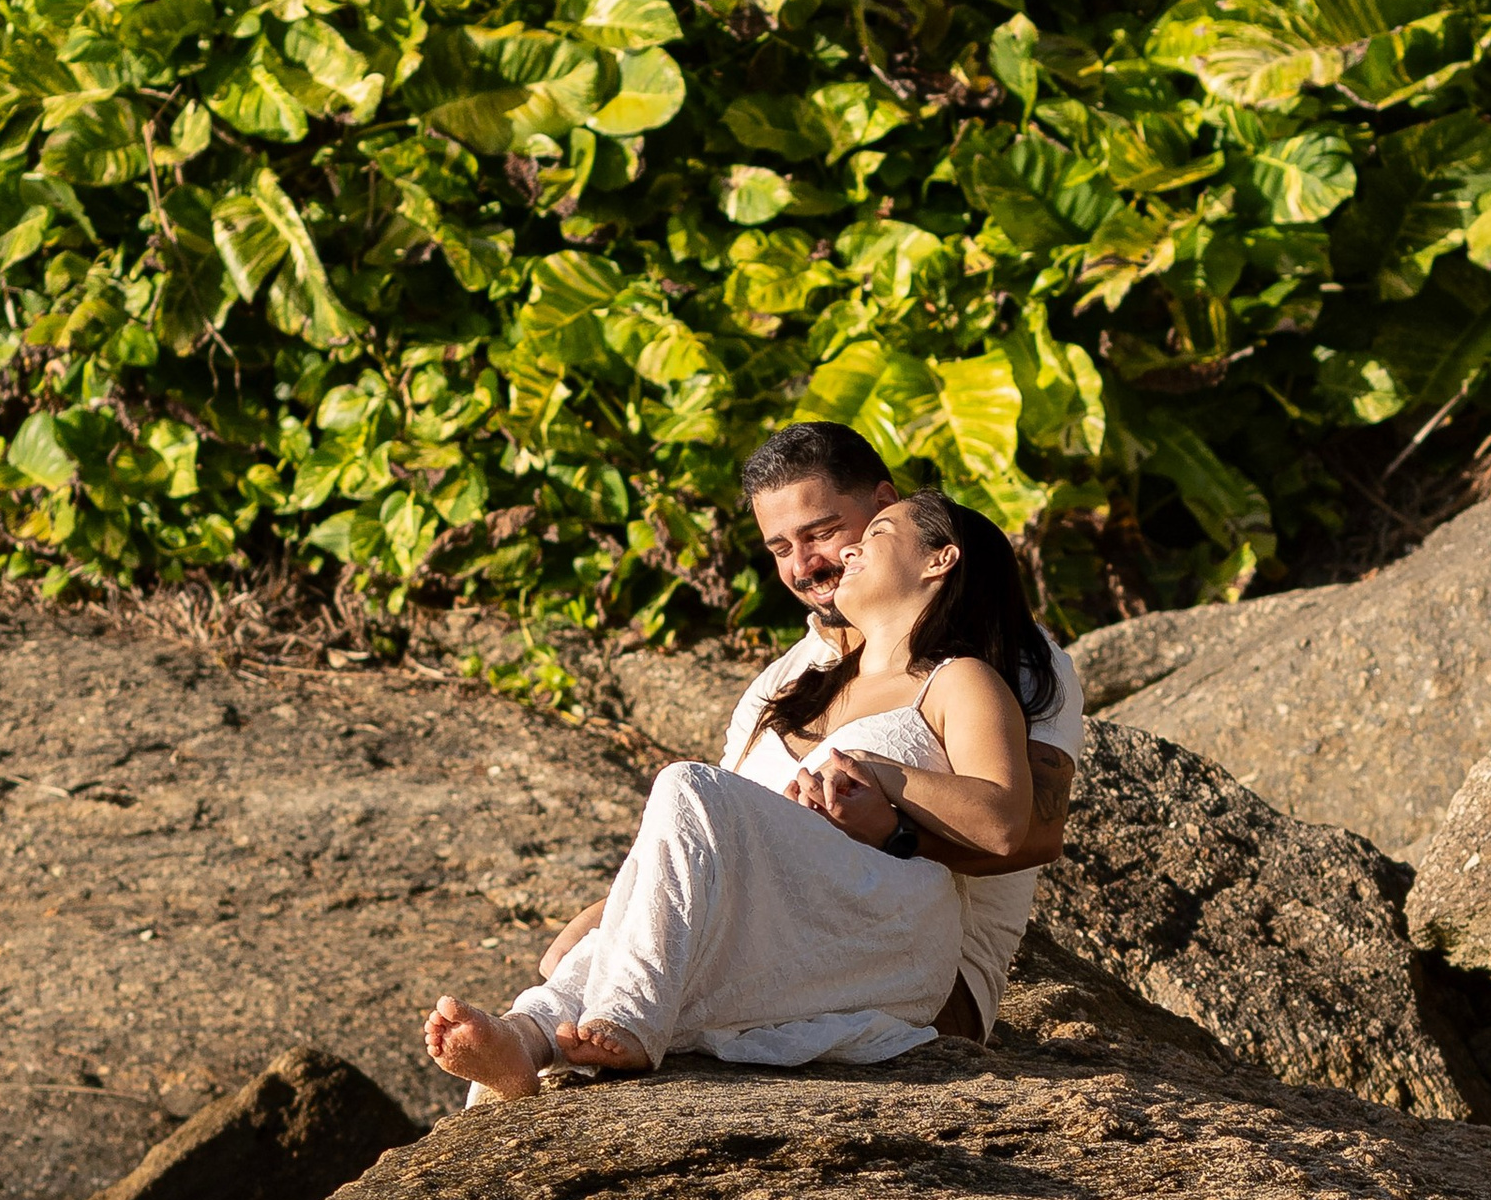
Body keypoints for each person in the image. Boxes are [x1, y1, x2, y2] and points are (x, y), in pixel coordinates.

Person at [422, 485, 1055, 1098]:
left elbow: (1005, 822)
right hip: (790, 913)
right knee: (676, 843)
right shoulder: (805, 679)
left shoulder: (959, 679)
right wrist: (612, 910)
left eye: (878, 534)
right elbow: (713, 840)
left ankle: (628, 1016)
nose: (851, 553)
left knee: (687, 784)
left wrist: (885, 780)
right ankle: (525, 1038)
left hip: (888, 923)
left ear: (941, 559)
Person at [723, 420, 1084, 1042]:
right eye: (780, 548)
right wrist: (613, 914)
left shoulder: (1010, 657)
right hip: (765, 937)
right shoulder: (780, 682)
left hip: (919, 975)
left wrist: (892, 835)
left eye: (821, 533)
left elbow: (1033, 833)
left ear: (885, 508)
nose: (803, 567)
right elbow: (723, 837)